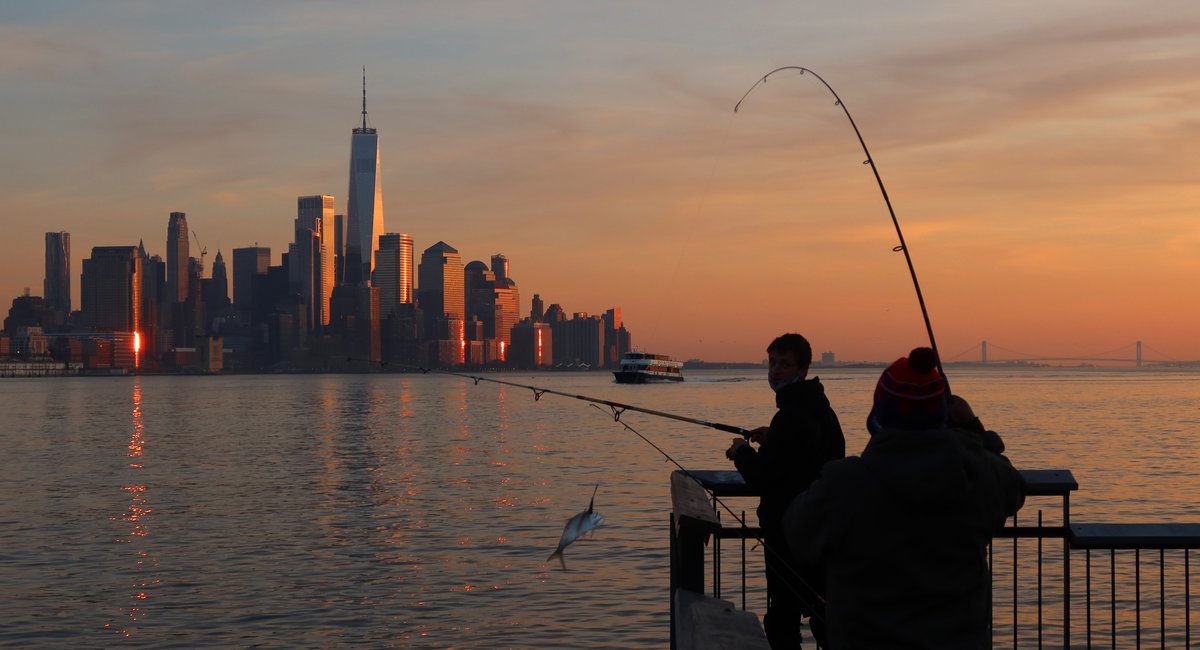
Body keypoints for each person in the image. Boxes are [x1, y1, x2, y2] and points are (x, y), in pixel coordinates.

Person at [783, 347, 1026, 649]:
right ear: (941, 414)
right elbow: (1012, 487)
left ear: (880, 414)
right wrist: (971, 429)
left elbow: (798, 532)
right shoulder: (975, 474)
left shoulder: (846, 484)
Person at [726, 333, 845, 649]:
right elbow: (810, 455)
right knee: (823, 614)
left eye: (785, 364)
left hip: (787, 531)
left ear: (803, 369)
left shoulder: (791, 415)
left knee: (783, 616)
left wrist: (741, 452)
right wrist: (774, 438)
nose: (775, 371)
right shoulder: (821, 411)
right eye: (772, 363)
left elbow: (763, 477)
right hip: (822, 529)